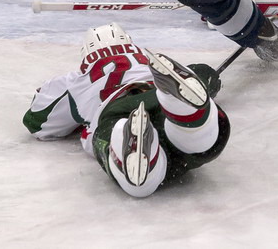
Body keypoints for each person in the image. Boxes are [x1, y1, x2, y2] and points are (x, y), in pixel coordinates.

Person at [22, 23, 230, 198]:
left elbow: (38, 123)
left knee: (123, 158)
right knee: (198, 142)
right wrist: (208, 79)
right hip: (154, 93)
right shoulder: (149, 63)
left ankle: (133, 149)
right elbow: (203, 73)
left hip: (118, 107)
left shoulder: (76, 80)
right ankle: (186, 113)